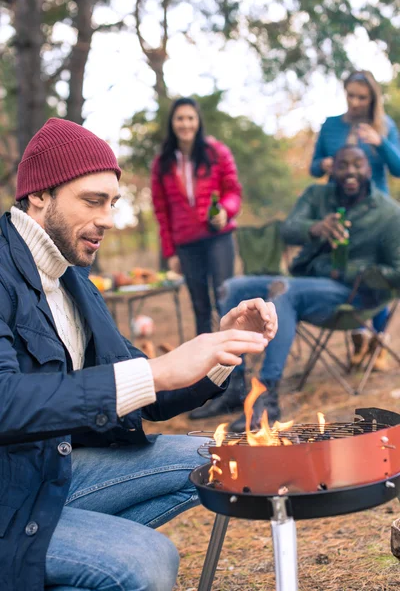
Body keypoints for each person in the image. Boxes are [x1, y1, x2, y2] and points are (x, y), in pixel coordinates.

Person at [0, 118, 278, 591]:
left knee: (211, 458)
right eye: (92, 201)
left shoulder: (73, 283)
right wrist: (156, 370)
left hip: (53, 469)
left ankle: (82, 554)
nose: (108, 218)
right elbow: (7, 402)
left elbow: (143, 389)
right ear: (39, 196)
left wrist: (220, 350)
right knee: (146, 560)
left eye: (113, 203)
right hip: (10, 492)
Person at [219, 145, 400, 432]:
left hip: (352, 297)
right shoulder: (317, 196)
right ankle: (235, 387)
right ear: (332, 169)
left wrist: (349, 271)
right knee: (232, 288)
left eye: (358, 164)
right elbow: (289, 228)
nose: (351, 171)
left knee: (284, 290)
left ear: (369, 169)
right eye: (343, 165)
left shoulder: (388, 213)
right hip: (308, 282)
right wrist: (315, 228)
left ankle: (267, 399)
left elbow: (397, 271)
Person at [310, 70, 400, 368]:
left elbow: (397, 168)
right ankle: (359, 335)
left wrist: (381, 142)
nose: (356, 102)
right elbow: (314, 167)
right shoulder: (331, 126)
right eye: (351, 95)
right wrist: (323, 164)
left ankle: (380, 342)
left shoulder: (384, 125)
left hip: (376, 212)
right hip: (340, 209)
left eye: (362, 97)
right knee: (345, 269)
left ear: (372, 98)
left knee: (376, 273)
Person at [151, 97, 242, 337]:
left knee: (227, 304)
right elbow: (161, 212)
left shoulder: (217, 152)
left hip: (219, 238)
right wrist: (170, 253)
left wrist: (225, 210)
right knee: (201, 310)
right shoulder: (162, 163)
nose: (185, 124)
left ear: (198, 121)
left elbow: (233, 191)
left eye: (190, 118)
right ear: (172, 123)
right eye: (180, 118)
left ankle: (237, 371)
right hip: (186, 245)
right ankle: (206, 374)